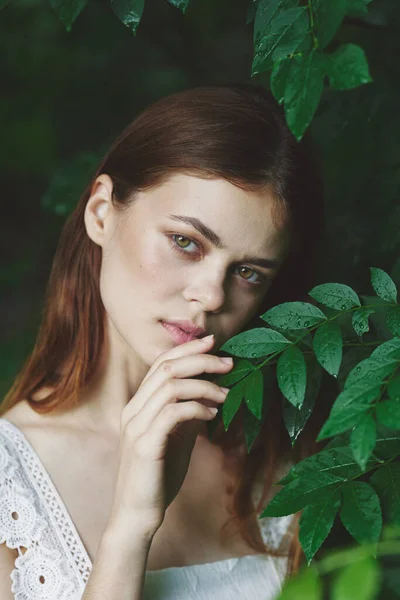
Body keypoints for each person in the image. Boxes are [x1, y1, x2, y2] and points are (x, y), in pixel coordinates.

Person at [0, 83, 325, 599]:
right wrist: (130, 526)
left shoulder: (283, 453)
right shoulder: (9, 487)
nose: (210, 295)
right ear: (102, 213)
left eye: (247, 272)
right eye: (186, 243)